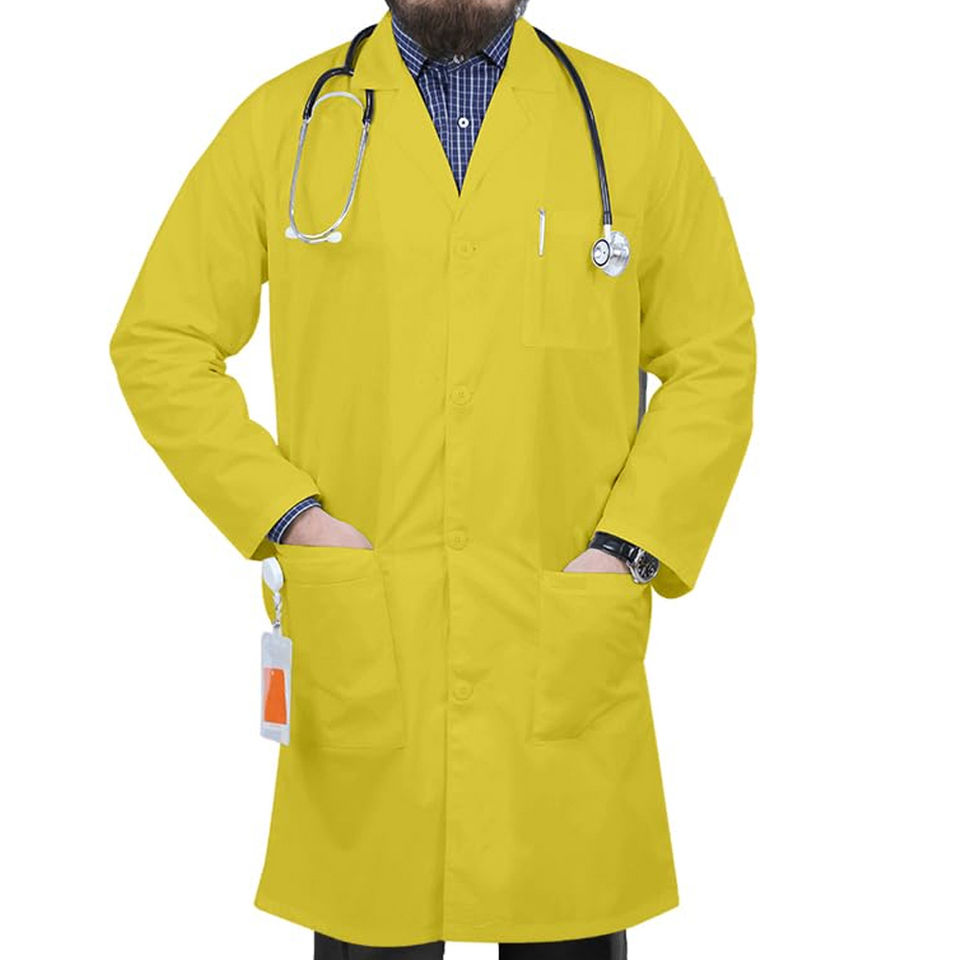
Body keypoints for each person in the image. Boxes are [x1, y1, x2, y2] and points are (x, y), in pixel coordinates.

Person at [109, 1, 756, 957]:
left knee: (565, 919)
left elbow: (713, 359)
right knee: (373, 919)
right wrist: (288, 516)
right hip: (371, 633)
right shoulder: (285, 123)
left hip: (559, 634)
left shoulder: (631, 124)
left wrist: (629, 547)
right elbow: (161, 342)